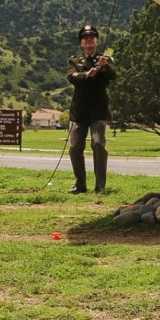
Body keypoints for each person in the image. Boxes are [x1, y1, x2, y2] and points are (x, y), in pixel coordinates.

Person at [66, 24, 116, 194]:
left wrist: (104, 66)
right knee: (74, 147)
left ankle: (100, 186)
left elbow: (113, 76)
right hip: (79, 111)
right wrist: (87, 74)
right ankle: (80, 184)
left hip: (98, 111)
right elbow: (72, 77)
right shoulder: (74, 61)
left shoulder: (105, 60)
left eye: (91, 38)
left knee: (98, 144)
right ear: (81, 43)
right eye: (85, 39)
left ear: (97, 41)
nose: (88, 41)